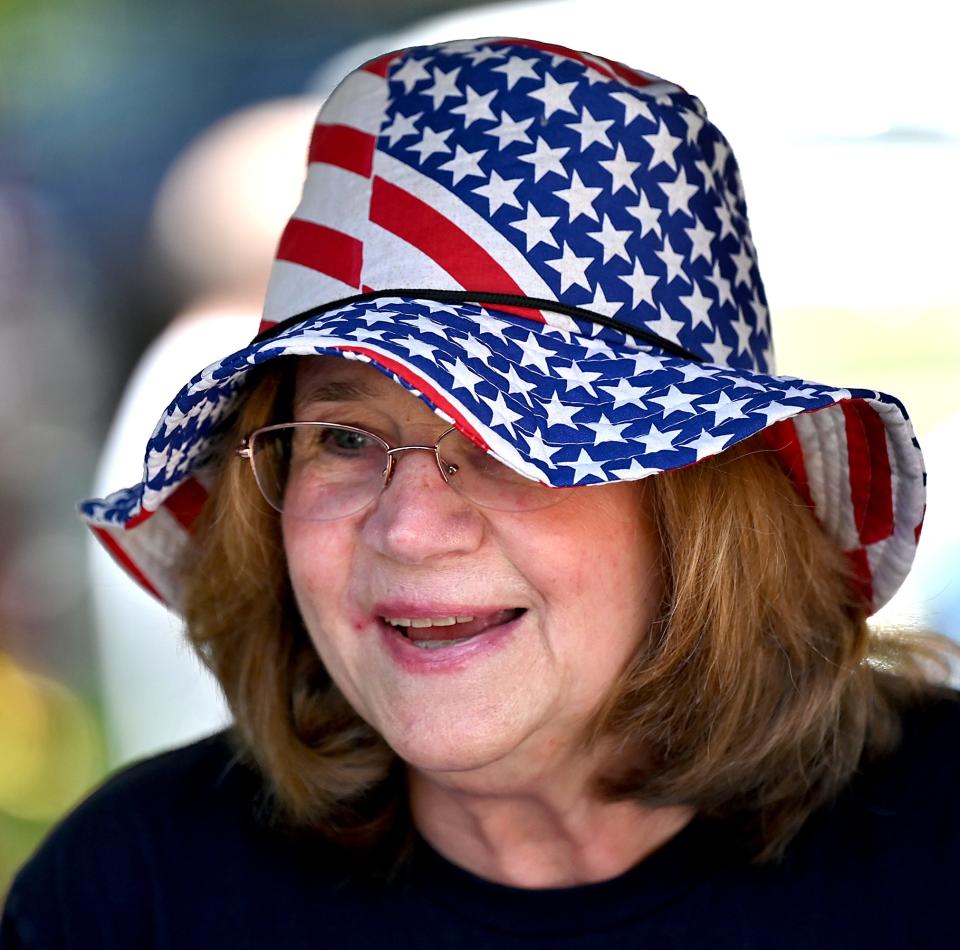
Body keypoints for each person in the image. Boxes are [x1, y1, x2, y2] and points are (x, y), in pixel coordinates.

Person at [2, 37, 958, 949]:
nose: (411, 530)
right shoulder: (135, 898)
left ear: (701, 502)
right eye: (341, 438)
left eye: (512, 444)